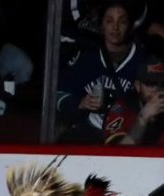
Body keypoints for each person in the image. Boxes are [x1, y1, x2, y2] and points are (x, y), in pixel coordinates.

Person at [56, 2, 148, 142]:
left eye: (122, 21)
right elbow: (57, 94)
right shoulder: (85, 58)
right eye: (109, 21)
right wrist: (79, 103)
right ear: (101, 25)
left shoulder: (146, 60)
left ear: (129, 25)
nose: (115, 27)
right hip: (89, 135)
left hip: (131, 138)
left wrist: (149, 103)